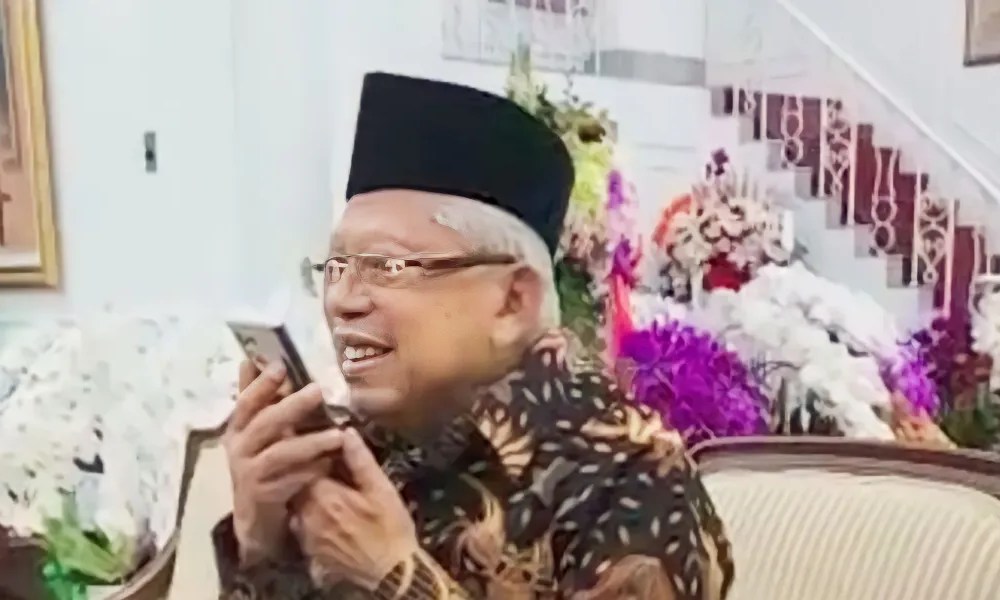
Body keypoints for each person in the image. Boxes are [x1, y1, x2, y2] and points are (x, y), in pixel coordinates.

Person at [212, 72, 734, 599]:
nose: (342, 300)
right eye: (335, 267)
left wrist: (395, 576)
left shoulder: (629, 477)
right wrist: (262, 545)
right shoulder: (359, 452)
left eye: (387, 265)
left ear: (512, 301)